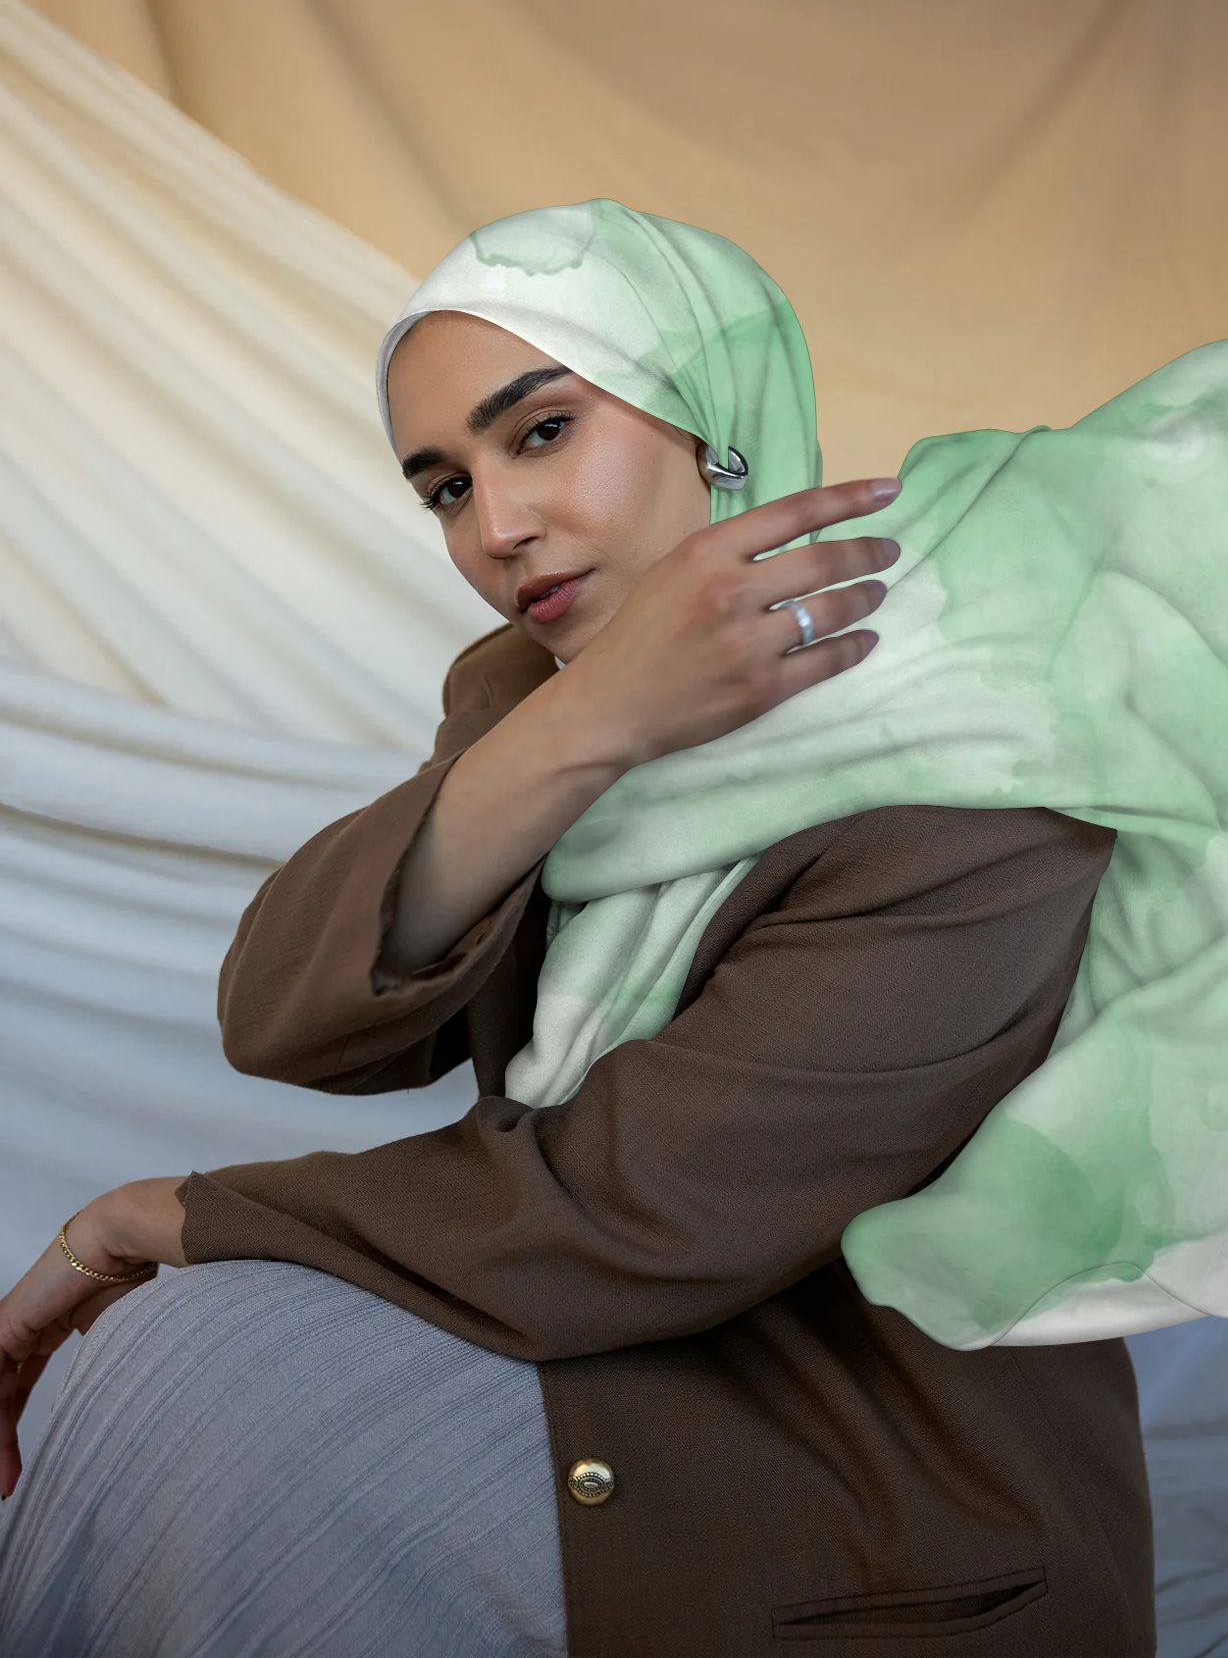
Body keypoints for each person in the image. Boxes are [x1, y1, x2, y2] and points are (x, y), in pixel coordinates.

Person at [0, 200, 1166, 1655]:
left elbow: (640, 1211)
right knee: (185, 1398)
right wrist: (584, 728)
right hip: (572, 1350)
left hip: (862, 1483)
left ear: (712, 421)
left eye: (543, 431)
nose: (497, 530)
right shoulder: (534, 700)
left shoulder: (981, 766)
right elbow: (288, 1021)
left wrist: (164, 1215)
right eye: (444, 487)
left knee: (205, 1396)